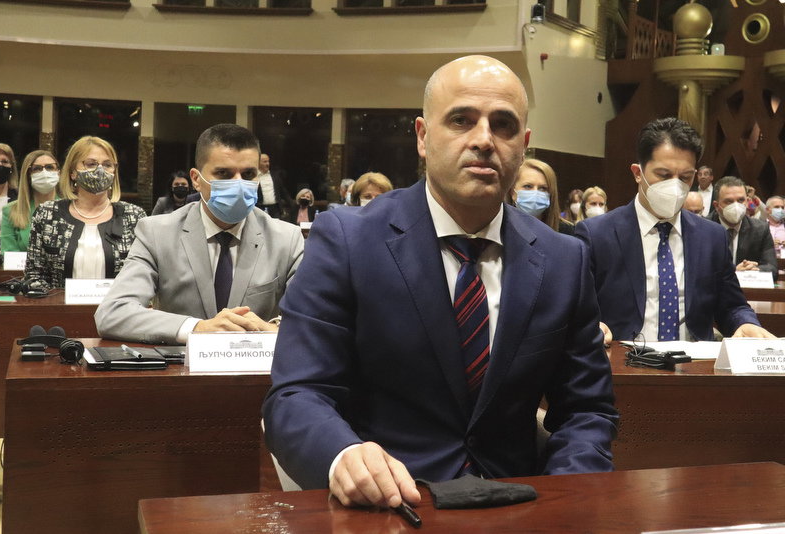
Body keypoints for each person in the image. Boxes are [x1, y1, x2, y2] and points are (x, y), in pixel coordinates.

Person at [263, 55, 618, 508]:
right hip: (392, 506)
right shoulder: (348, 241)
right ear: (423, 136)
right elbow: (296, 394)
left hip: (519, 508)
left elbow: (587, 411)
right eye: (461, 120)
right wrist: (344, 456)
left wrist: (563, 497)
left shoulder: (564, 259)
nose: (484, 140)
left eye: (503, 125)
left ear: (524, 145)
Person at [95, 124, 304, 344]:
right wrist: (198, 328)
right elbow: (112, 314)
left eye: (248, 174)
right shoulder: (157, 234)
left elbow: (314, 318)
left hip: (256, 363)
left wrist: (273, 329)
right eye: (223, 174)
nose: (238, 184)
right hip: (181, 363)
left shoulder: (286, 239)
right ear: (196, 179)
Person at [575, 117, 773, 342]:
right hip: (623, 357)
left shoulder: (712, 237)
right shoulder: (597, 234)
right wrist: (592, 326)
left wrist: (745, 323)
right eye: (664, 175)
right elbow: (578, 309)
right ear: (638, 173)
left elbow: (732, 306)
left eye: (685, 177)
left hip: (694, 360)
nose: (675, 186)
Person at [24, 136, 146, 289]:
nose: (100, 170)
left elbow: (142, 276)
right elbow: (34, 276)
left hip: (117, 303)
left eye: (107, 165)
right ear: (72, 172)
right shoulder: (47, 214)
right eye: (91, 164)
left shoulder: (134, 216)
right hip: (60, 303)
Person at [707, 176, 777, 281]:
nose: (736, 206)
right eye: (729, 201)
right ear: (717, 206)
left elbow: (772, 268)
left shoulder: (760, 229)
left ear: (747, 201)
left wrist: (751, 270)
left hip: (747, 288)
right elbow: (697, 270)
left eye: (741, 200)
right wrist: (733, 272)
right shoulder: (703, 228)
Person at [1, 150, 61, 252]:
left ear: (58, 173)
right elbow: (9, 251)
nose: (44, 173)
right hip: (23, 263)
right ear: (28, 176)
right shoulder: (10, 211)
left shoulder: (71, 208)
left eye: (49, 167)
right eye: (37, 169)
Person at [509, 158, 574, 235]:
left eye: (543, 188)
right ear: (513, 192)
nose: (535, 193)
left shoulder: (565, 231)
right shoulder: (501, 228)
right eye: (528, 186)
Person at [255, 154, 293, 219]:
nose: (267, 164)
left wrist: (292, 204)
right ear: (258, 163)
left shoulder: (275, 176)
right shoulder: (254, 176)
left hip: (275, 209)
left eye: (268, 161)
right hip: (259, 208)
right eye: (265, 162)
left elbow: (283, 192)